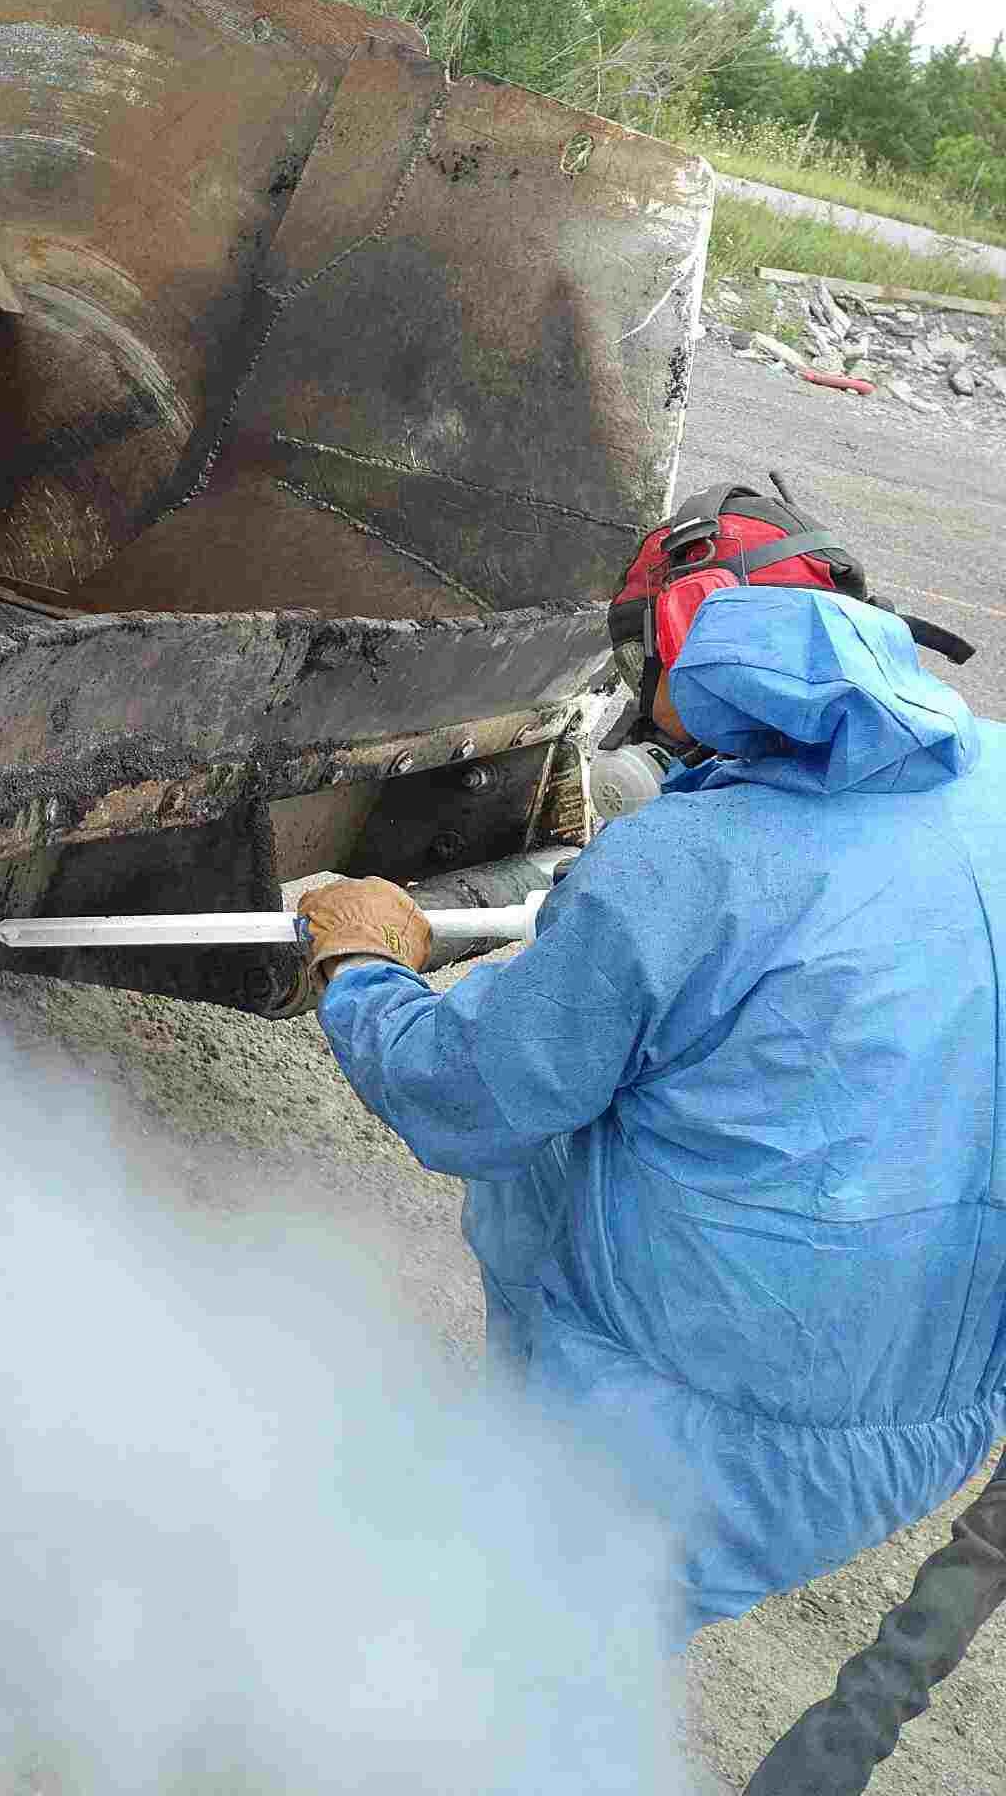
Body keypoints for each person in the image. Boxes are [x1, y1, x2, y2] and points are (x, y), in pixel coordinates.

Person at [299, 481, 999, 1639]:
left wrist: (363, 968)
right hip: (926, 1421)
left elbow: (467, 1098)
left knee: (518, 1656)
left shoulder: (688, 865)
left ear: (690, 639)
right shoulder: (997, 780)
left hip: (686, 1434)